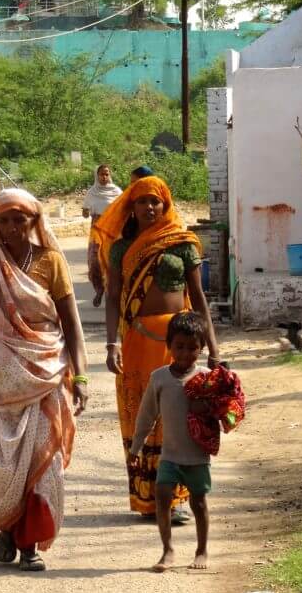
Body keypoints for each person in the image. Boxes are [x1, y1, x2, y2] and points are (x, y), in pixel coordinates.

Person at [0, 188, 89, 572]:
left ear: (34, 222)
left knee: (41, 464)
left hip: (46, 374)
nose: (12, 228)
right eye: (4, 220)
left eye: (20, 220)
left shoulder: (51, 262)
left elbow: (71, 324)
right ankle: (10, 529)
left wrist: (80, 376)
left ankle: (29, 543)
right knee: (0, 464)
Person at [94, 175, 220, 522]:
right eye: (142, 202)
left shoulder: (182, 244)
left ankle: (176, 499)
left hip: (179, 346)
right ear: (131, 207)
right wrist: (111, 342)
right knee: (141, 417)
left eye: (156, 202)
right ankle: (146, 497)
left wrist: (213, 347)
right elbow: (114, 298)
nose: (150, 208)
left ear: (166, 205)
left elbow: (198, 298)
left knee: (177, 418)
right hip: (136, 342)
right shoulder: (122, 248)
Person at [129, 311, 214, 572]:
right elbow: (146, 416)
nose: (186, 353)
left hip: (197, 457)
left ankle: (202, 550)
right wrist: (136, 447)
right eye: (179, 346)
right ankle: (167, 550)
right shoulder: (160, 378)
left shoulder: (207, 378)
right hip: (170, 456)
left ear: (200, 349)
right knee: (162, 497)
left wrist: (208, 406)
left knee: (198, 503)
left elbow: (221, 413)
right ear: (169, 346)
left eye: (192, 348)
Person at [82, 164, 123, 307]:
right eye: (101, 174)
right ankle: (99, 290)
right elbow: (85, 212)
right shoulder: (91, 192)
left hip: (113, 231)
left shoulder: (117, 191)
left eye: (106, 174)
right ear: (97, 175)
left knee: (113, 261)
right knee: (95, 262)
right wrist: (86, 212)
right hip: (97, 229)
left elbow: (123, 209)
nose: (104, 177)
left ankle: (113, 292)